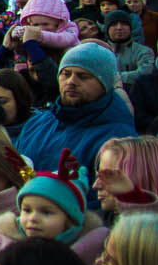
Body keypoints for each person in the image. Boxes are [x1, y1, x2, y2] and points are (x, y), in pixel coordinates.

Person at [17, 42, 137, 175]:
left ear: (105, 84)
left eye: (83, 76)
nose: (71, 82)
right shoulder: (36, 123)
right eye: (66, 74)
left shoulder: (119, 139)